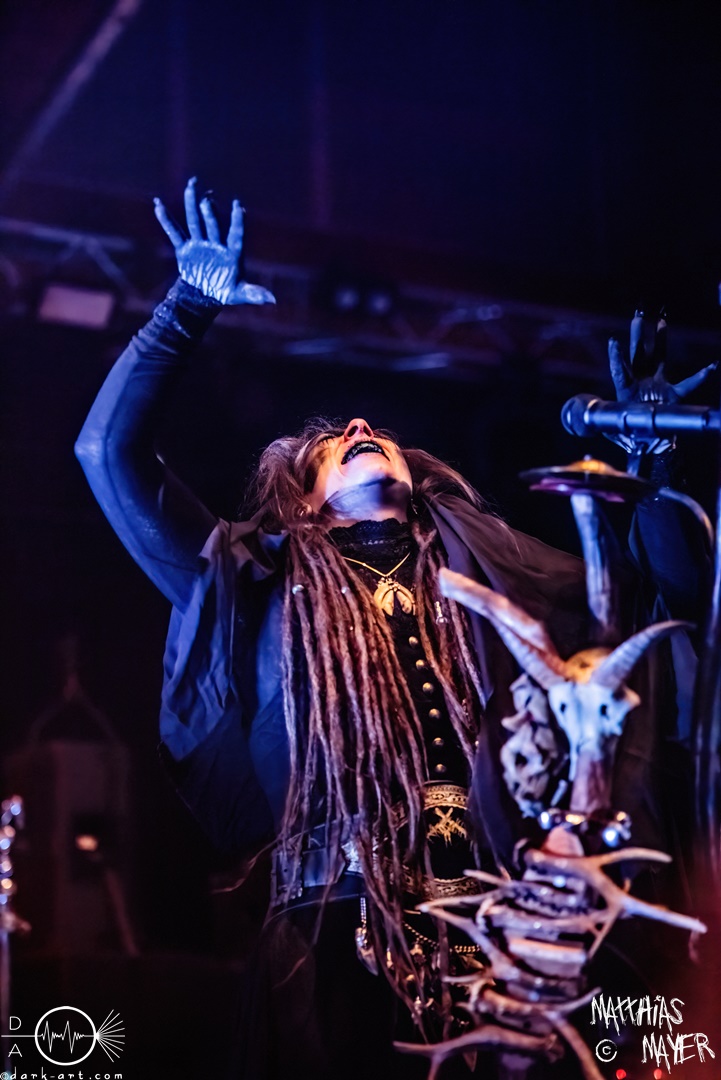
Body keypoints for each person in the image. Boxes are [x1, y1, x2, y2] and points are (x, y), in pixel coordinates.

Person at [75, 179, 706, 1079]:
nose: (363, 424)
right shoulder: (253, 584)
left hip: (501, 923)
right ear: (304, 500)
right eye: (334, 443)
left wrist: (651, 459)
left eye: (372, 430)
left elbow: (655, 613)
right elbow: (107, 454)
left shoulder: (502, 573)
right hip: (332, 935)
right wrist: (183, 310)